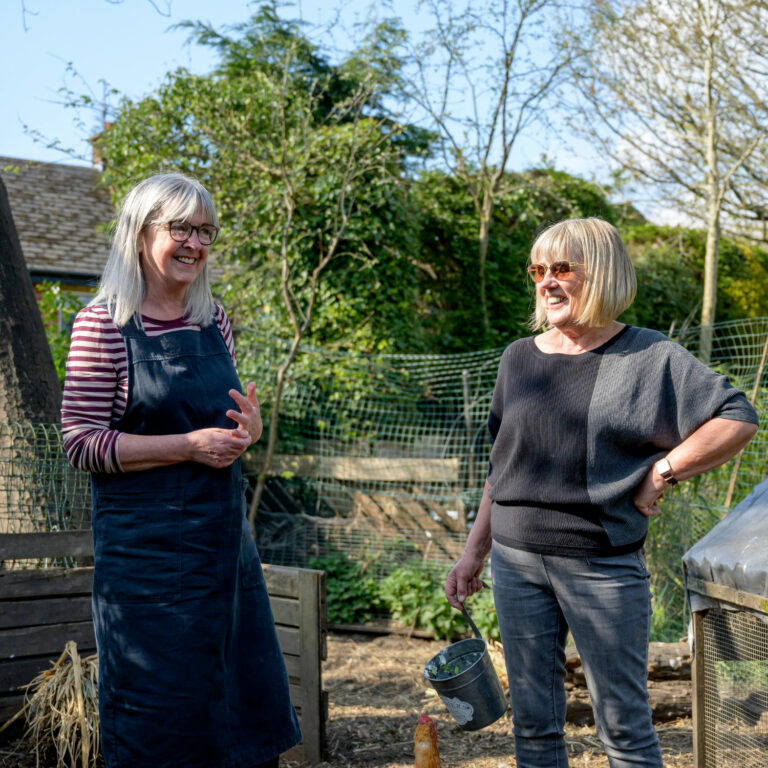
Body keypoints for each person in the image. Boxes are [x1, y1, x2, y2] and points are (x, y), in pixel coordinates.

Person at [445, 218, 758, 768]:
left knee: (624, 730)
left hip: (601, 565)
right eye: (537, 270)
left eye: (562, 268)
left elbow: (737, 417)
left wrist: (663, 471)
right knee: (533, 727)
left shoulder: (650, 356)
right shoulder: (518, 358)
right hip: (515, 564)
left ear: (603, 272)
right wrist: (474, 552)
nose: (546, 281)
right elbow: (502, 467)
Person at [62, 173, 301, 768]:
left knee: (242, 710)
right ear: (140, 234)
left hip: (222, 554)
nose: (195, 243)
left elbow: (220, 427)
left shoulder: (211, 318)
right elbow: (81, 442)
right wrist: (188, 446)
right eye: (180, 228)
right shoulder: (103, 325)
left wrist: (248, 432)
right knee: (163, 725)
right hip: (148, 570)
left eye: (205, 231)